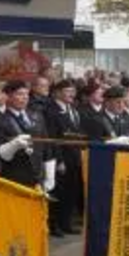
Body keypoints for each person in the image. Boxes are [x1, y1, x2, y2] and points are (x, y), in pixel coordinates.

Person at [0, 80, 53, 188]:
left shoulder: (37, 116)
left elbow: (47, 147)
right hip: (14, 179)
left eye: (26, 94)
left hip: (38, 178)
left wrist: (50, 176)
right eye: (20, 94)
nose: (25, 97)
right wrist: (13, 145)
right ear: (8, 97)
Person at [45, 80, 82, 237]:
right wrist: (58, 160)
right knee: (59, 192)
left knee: (71, 191)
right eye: (67, 91)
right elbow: (53, 138)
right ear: (58, 92)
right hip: (62, 158)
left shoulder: (72, 109)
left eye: (73, 91)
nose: (71, 94)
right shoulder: (51, 111)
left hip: (74, 156)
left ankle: (66, 223)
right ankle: (54, 225)